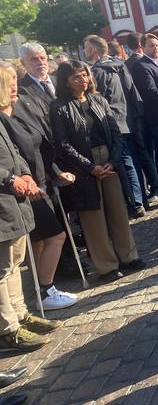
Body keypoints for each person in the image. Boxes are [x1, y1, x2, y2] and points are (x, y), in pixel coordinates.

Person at [50, 61, 144, 283]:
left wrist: (113, 160)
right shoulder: (59, 107)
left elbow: (116, 133)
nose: (83, 80)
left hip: (108, 161)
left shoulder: (99, 99)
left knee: (118, 211)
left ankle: (128, 256)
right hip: (84, 167)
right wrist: (90, 167)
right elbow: (62, 144)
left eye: (84, 75)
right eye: (76, 77)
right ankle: (106, 265)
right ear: (66, 81)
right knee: (94, 218)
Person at [0, 61, 78, 311]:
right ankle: (43, 290)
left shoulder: (22, 106)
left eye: (15, 80)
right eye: (9, 82)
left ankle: (40, 291)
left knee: (40, 241)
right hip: (20, 191)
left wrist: (55, 172)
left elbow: (41, 144)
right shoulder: (3, 117)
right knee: (54, 236)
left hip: (38, 182)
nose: (15, 87)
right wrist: (20, 178)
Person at [0, 59, 62, 352]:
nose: (15, 86)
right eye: (9, 82)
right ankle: (8, 329)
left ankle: (20, 315)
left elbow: (15, 152)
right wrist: (11, 178)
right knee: (2, 269)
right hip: (4, 201)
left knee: (13, 265)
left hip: (15, 203)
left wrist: (23, 172)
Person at [85, 35, 147, 218]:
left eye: (86, 47)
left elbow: (98, 100)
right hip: (127, 119)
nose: (84, 51)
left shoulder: (98, 72)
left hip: (113, 122)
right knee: (132, 162)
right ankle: (140, 198)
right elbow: (131, 90)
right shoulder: (120, 65)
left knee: (125, 163)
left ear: (95, 50)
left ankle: (136, 203)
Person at [130, 33, 158, 193]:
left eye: (157, 45)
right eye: (151, 45)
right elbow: (150, 91)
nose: (156, 48)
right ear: (142, 47)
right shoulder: (141, 66)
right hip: (156, 118)